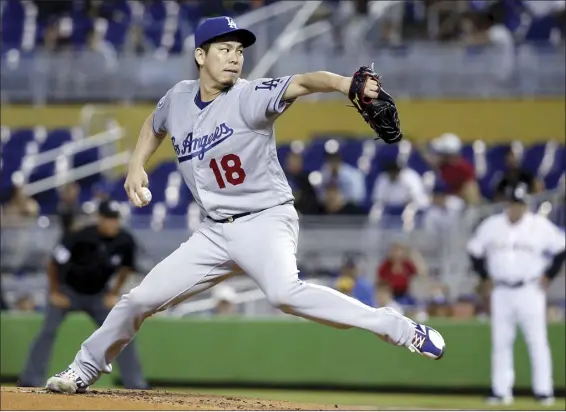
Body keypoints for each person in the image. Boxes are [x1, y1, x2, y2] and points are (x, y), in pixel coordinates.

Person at [45, 15, 445, 394]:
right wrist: (135, 165)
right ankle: (83, 368)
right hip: (215, 230)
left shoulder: (250, 96)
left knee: (284, 293)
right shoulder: (179, 96)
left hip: (265, 220)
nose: (235, 56)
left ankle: (395, 327)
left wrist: (345, 83)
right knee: (140, 299)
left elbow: (305, 82)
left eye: (239, 49)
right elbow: (155, 123)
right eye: (224, 48)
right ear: (201, 55)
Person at [19, 200, 148, 390]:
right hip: (68, 292)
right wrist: (54, 292)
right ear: (100, 219)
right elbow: (53, 263)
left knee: (121, 331)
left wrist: (113, 293)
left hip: (98, 295)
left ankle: (136, 384)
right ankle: (30, 379)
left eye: (115, 219)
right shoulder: (81, 236)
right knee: (47, 331)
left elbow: (127, 268)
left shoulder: (124, 240)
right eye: (109, 219)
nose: (113, 223)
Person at [467, 182, 565, 406]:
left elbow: (561, 248)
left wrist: (549, 274)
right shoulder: (492, 225)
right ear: (507, 204)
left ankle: (544, 391)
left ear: (525, 205)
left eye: (520, 204)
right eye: (513, 203)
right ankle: (501, 391)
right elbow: (474, 250)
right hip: (501, 290)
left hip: (530, 289)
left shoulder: (539, 225)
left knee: (537, 340)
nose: (516, 208)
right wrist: (484, 276)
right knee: (501, 341)